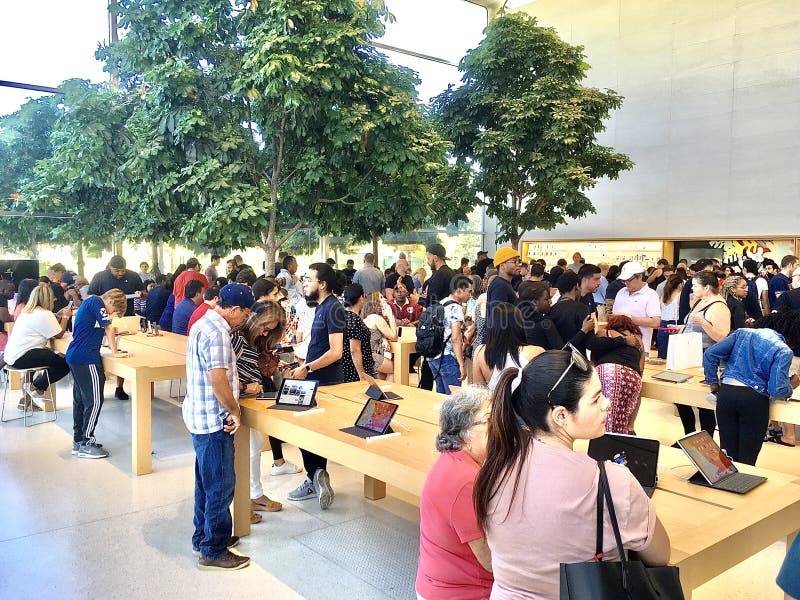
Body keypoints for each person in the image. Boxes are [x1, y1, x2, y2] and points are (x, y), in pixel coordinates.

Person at [474, 351, 670, 598]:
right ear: (561, 416)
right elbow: (661, 556)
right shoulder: (612, 483)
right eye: (596, 398)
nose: (607, 403)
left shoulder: (494, 469)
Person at [183, 282, 254, 570]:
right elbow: (218, 379)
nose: (245, 320)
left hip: (199, 417)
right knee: (221, 486)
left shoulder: (203, 323)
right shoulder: (219, 334)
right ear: (234, 309)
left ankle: (204, 536)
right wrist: (235, 410)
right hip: (215, 421)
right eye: (245, 314)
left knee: (205, 483)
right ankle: (213, 550)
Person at [415, 387, 493, 600]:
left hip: (436, 583)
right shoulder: (465, 480)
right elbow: (490, 562)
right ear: (465, 433)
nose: (497, 427)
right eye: (488, 421)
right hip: (462, 592)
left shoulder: (452, 461)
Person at [704, 311, 800, 465]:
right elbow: (777, 390)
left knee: (727, 456)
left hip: (726, 395)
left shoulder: (742, 333)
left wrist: (713, 383)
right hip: (754, 400)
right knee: (747, 460)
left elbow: (710, 354)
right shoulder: (783, 350)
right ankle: (741, 486)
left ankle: (724, 486)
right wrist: (791, 385)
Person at [285, 262, 344, 509]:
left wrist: (307, 368)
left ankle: (315, 476)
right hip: (311, 378)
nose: (305, 283)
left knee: (310, 431)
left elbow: (336, 351)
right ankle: (316, 475)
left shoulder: (333, 309)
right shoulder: (320, 307)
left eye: (310, 279)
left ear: (323, 284)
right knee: (303, 431)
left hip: (324, 383)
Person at [231, 305, 293, 521]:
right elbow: (224, 373)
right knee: (246, 449)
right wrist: (244, 387)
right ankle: (243, 501)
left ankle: (254, 494)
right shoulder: (237, 338)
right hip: (238, 400)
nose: (266, 333)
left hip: (251, 399)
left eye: (270, 330)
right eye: (265, 327)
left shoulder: (252, 339)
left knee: (255, 445)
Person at [66, 289, 128, 459]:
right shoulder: (97, 303)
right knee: (94, 401)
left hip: (76, 356)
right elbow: (108, 327)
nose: (111, 315)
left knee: (80, 401)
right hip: (86, 359)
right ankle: (87, 442)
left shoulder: (90, 304)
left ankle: (78, 440)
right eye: (113, 312)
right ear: (111, 303)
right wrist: (115, 352)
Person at [677, 270, 731, 440]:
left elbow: (722, 336)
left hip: (706, 358)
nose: (692, 288)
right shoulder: (700, 301)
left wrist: (703, 323)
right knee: (681, 398)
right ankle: (689, 436)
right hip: (689, 355)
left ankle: (705, 440)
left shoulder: (719, 306)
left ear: (707, 287)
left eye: (695, 285)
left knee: (702, 403)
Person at [4, 284, 72, 408]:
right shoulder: (44, 313)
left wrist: (56, 316)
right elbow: (59, 334)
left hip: (13, 356)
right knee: (65, 364)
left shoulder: (27, 312)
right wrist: (66, 316)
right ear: (48, 298)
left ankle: (29, 395)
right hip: (23, 357)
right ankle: (35, 387)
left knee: (52, 357)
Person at [88, 255, 144, 400]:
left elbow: (144, 294)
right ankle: (99, 385)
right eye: (116, 271)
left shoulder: (133, 276)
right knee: (102, 352)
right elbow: (91, 296)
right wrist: (105, 301)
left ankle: (120, 386)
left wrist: (141, 294)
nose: (119, 273)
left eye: (122, 271)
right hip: (104, 319)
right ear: (109, 267)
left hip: (127, 319)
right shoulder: (100, 277)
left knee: (123, 352)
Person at [587, 314, 645, 434]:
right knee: (623, 415)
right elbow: (641, 369)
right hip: (632, 376)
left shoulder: (604, 333)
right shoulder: (637, 339)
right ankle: (625, 434)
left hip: (607, 371)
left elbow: (593, 359)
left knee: (606, 413)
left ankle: (606, 442)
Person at [472, 303, 543, 391]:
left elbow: (478, 394)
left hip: (495, 404)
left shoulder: (480, 352)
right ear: (519, 325)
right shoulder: (536, 352)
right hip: (527, 404)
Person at [427, 275, 472, 394]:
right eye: (469, 291)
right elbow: (455, 338)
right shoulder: (456, 308)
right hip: (447, 358)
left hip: (433, 357)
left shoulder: (441, 303)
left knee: (441, 396)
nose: (470, 295)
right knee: (453, 399)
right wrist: (461, 364)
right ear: (459, 290)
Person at [611, 261, 661, 356]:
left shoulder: (651, 294)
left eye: (629, 280)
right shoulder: (621, 292)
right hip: (618, 344)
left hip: (639, 347)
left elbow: (656, 322)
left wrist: (629, 318)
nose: (626, 283)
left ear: (640, 276)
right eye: (624, 281)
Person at [546, 271, 594, 353]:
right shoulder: (582, 308)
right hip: (576, 359)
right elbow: (590, 343)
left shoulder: (551, 309)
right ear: (577, 286)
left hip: (556, 359)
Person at [341, 284, 378, 382]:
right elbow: (355, 350)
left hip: (344, 366)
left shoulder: (342, 316)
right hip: (354, 370)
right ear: (361, 298)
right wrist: (362, 375)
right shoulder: (354, 319)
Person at [361, 297, 397, 382]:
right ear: (375, 303)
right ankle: (388, 393)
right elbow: (394, 336)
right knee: (396, 369)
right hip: (372, 356)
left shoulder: (366, 318)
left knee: (383, 374)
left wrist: (383, 339)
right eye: (381, 298)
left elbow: (373, 334)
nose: (384, 299)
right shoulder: (375, 317)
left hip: (365, 355)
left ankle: (380, 393)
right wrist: (390, 314)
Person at [657, 274, 683, 360]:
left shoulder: (664, 295)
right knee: (673, 353)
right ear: (680, 284)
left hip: (662, 324)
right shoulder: (680, 295)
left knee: (662, 351)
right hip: (674, 324)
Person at [487, 247, 520, 314]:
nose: (518, 264)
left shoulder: (503, 284)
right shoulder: (500, 287)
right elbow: (497, 318)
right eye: (514, 261)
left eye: (519, 261)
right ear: (502, 266)